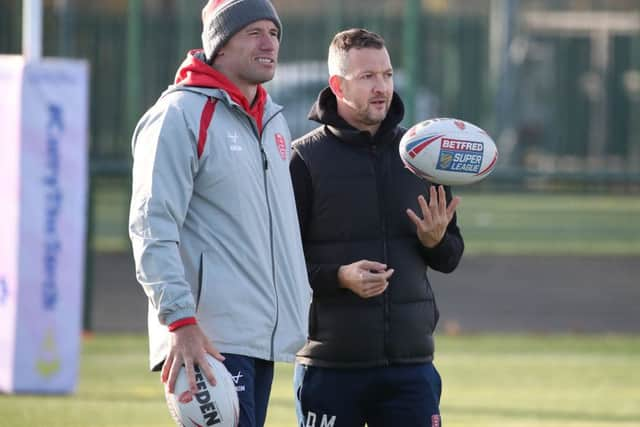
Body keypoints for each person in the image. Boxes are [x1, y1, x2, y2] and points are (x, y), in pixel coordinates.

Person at [128, 1, 310, 425]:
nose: (270, 44)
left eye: (275, 33)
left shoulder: (274, 121)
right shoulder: (178, 115)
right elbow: (151, 226)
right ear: (220, 46)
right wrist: (180, 321)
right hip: (208, 341)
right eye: (254, 33)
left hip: (259, 340)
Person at [290, 28, 464, 427]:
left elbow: (451, 256)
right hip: (330, 365)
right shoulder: (304, 160)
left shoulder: (423, 156)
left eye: (386, 74)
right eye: (367, 77)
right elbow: (279, 266)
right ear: (337, 85)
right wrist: (339, 277)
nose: (382, 86)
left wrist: (435, 242)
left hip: (410, 367)